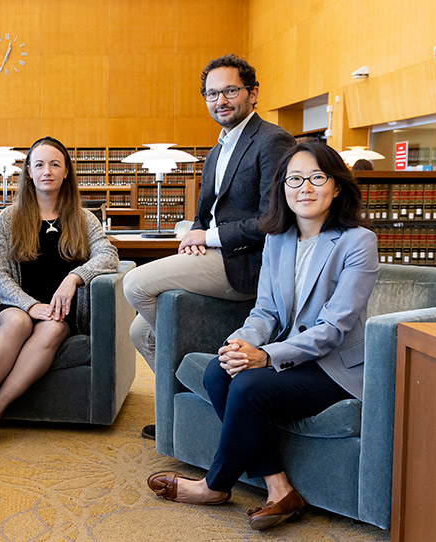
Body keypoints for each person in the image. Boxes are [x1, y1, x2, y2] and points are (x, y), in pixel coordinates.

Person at [147, 142, 379, 531]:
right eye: (294, 179)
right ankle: (279, 487)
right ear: (282, 188)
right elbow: (266, 311)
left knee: (249, 385)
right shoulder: (278, 238)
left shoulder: (358, 242)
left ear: (336, 186)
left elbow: (333, 328)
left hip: (335, 369)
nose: (305, 187)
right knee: (218, 372)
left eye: (317, 177)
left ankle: (213, 485)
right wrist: (240, 344)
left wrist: (266, 357)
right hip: (290, 357)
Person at [123, 53, 296, 440]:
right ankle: (182, 412)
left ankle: (205, 359)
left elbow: (274, 219)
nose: (220, 100)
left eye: (230, 91)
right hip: (213, 256)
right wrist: (195, 237)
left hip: (246, 264)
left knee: (134, 284)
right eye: (211, 94)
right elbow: (206, 212)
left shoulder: (272, 141)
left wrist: (210, 237)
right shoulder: (217, 149)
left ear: (253, 93)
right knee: (139, 332)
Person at [0, 137, 119, 452]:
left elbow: (109, 256)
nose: (46, 171)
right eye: (39, 164)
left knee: (51, 326)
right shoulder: (10, 218)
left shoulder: (83, 218)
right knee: (19, 323)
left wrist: (74, 278)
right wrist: (30, 305)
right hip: (11, 306)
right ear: (29, 172)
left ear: (67, 172)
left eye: (55, 164)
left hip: (58, 314)